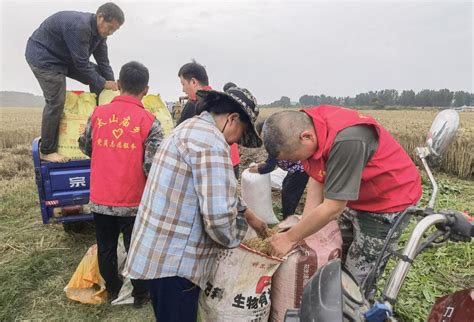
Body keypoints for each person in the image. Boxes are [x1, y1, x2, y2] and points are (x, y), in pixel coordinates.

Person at [124, 87, 268, 321]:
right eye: (240, 134)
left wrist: (247, 213)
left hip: (156, 253)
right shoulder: (212, 144)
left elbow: (210, 189)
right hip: (176, 263)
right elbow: (219, 217)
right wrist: (240, 245)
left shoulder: (189, 128)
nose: (236, 142)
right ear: (232, 119)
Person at [263, 105, 422, 284]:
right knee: (336, 253)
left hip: (387, 201)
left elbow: (333, 207)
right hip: (352, 195)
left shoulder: (347, 139)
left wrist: (290, 238)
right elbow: (317, 176)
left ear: (306, 137)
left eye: (295, 158)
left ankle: (357, 307)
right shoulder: (309, 126)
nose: (298, 162)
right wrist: (304, 230)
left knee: (358, 275)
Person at [78, 61, 163, 307]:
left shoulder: (97, 115)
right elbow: (152, 166)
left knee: (105, 246)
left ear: (119, 85)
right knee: (136, 247)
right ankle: (139, 294)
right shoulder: (150, 121)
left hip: (101, 197)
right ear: (145, 90)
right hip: (134, 200)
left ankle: (113, 290)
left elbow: (86, 146)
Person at [26, 2, 124, 163]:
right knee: (56, 101)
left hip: (65, 58)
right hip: (44, 57)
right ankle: (47, 150)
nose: (111, 32)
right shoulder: (79, 27)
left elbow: (104, 63)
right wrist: (104, 83)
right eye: (110, 27)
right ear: (100, 17)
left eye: (115, 30)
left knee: (100, 74)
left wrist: (113, 86)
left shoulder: (100, 35)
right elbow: (81, 64)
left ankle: (101, 120)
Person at [176, 61, 241, 178]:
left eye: (183, 84)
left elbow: (178, 137)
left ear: (194, 82)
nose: (183, 89)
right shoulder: (221, 99)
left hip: (215, 165)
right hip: (233, 162)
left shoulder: (195, 104)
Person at [249, 121, 309, 219]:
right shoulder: (274, 143)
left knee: (289, 194)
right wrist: (261, 164)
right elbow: (270, 161)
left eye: (262, 135)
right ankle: (288, 215)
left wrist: (257, 170)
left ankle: (288, 218)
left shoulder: (275, 143)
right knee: (286, 187)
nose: (262, 139)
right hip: (294, 170)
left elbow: (269, 167)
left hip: (301, 170)